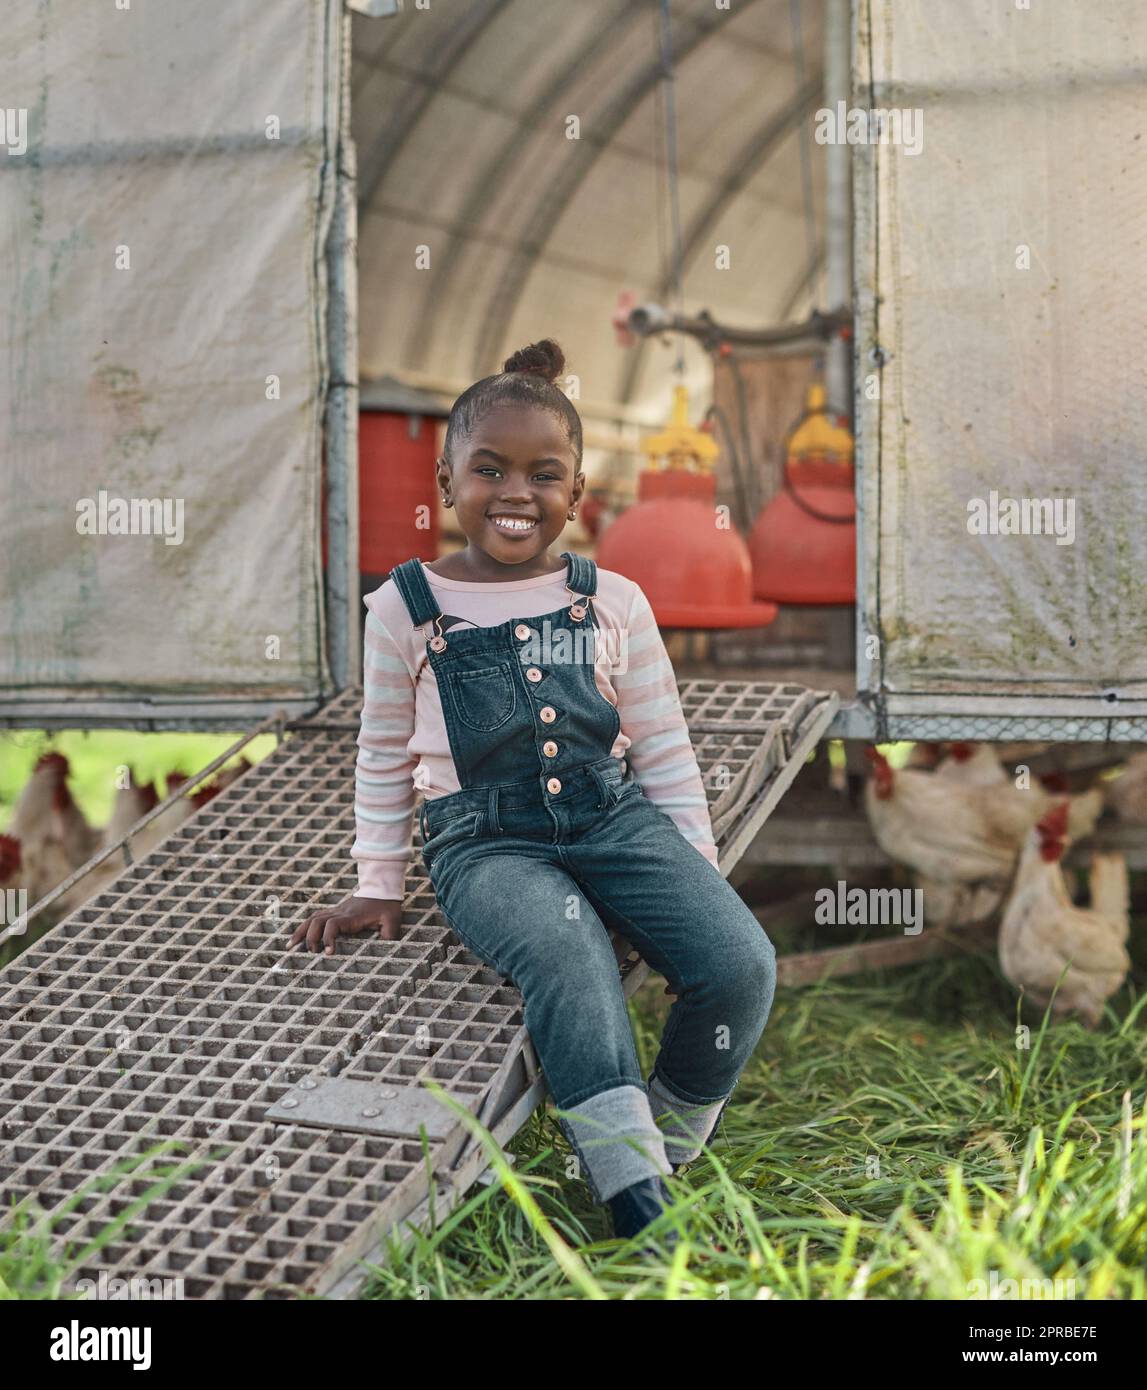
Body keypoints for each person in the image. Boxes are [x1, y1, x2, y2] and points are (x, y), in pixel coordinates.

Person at [290, 339, 777, 1248]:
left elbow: (663, 745)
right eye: (489, 470)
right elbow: (383, 750)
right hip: (484, 841)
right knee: (569, 953)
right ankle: (634, 1201)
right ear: (445, 481)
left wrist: (689, 881)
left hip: (610, 814)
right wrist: (378, 881)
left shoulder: (614, 602)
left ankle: (666, 1147)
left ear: (577, 494)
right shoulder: (402, 607)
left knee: (741, 964)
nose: (516, 493)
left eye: (543, 474)